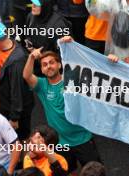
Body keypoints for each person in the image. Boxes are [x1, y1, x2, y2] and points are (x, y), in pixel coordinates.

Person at [23, 42, 101, 174]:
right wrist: (31, 57)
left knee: (96, 172)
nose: (49, 66)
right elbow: (26, 76)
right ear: (41, 70)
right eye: (44, 65)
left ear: (59, 65)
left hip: (82, 138)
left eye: (52, 62)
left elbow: (94, 71)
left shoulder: (72, 80)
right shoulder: (42, 86)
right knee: (66, 172)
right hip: (61, 142)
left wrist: (71, 43)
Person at [24, 0, 71, 76]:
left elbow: (64, 54)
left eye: (36, 4)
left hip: (52, 70)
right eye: (32, 3)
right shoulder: (31, 16)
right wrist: (30, 48)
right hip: (35, 65)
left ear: (45, 6)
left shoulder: (58, 25)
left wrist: (44, 56)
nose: (32, 6)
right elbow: (26, 35)